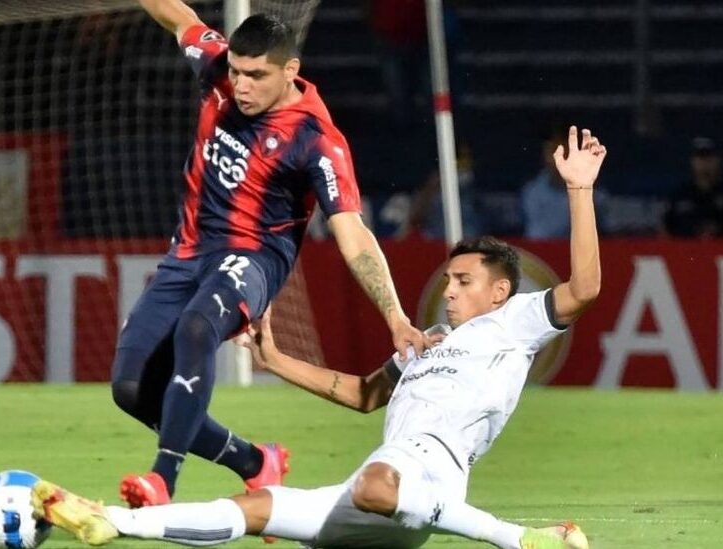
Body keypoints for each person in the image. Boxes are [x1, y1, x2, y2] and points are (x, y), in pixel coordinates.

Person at [31, 126, 604, 549]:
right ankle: (111, 522)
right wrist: (275, 359)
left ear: (500, 291)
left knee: (377, 483)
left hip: (428, 474)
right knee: (255, 507)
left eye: (464, 281)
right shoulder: (428, 340)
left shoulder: (516, 324)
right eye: (449, 279)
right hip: (382, 486)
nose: (449, 291)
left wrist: (579, 191)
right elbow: (360, 394)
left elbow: (584, 288)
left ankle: (525, 540)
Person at [111, 0, 430, 509]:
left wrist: (394, 313)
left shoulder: (317, 141)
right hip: (188, 253)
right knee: (130, 389)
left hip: (254, 259)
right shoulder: (218, 67)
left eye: (257, 75)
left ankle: (162, 480)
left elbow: (352, 233)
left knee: (198, 327)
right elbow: (180, 18)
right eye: (237, 72)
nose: (241, 86)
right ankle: (256, 464)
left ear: (290, 71)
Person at [521, 128, 608, 239]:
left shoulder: (596, 196)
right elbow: (535, 235)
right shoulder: (532, 192)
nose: (555, 159)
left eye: (562, 151)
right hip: (541, 252)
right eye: (551, 151)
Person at [661, 136, 723, 238]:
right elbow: (665, 229)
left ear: (718, 161)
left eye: (709, 158)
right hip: (683, 252)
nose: (705, 163)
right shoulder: (679, 195)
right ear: (692, 162)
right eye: (700, 158)